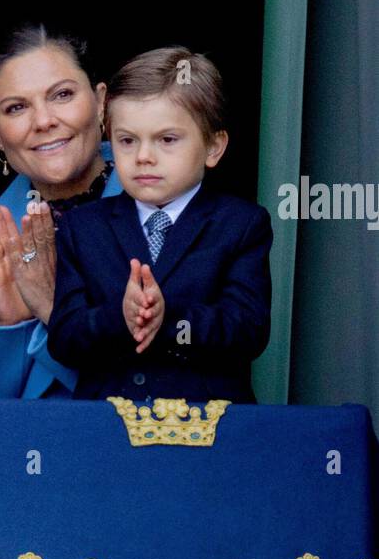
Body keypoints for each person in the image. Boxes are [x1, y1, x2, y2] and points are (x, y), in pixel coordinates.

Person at [44, 47, 272, 403]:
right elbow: (64, 338)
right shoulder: (82, 227)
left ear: (214, 147)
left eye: (167, 139)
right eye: (127, 140)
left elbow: (247, 331)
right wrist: (120, 316)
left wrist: (169, 319)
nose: (144, 156)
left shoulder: (241, 224)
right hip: (105, 429)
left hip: (208, 432)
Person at [0, 26, 124, 398]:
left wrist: (53, 311)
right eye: (16, 108)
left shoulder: (160, 210)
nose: (43, 121)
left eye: (62, 95)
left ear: (101, 102)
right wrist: (5, 323)